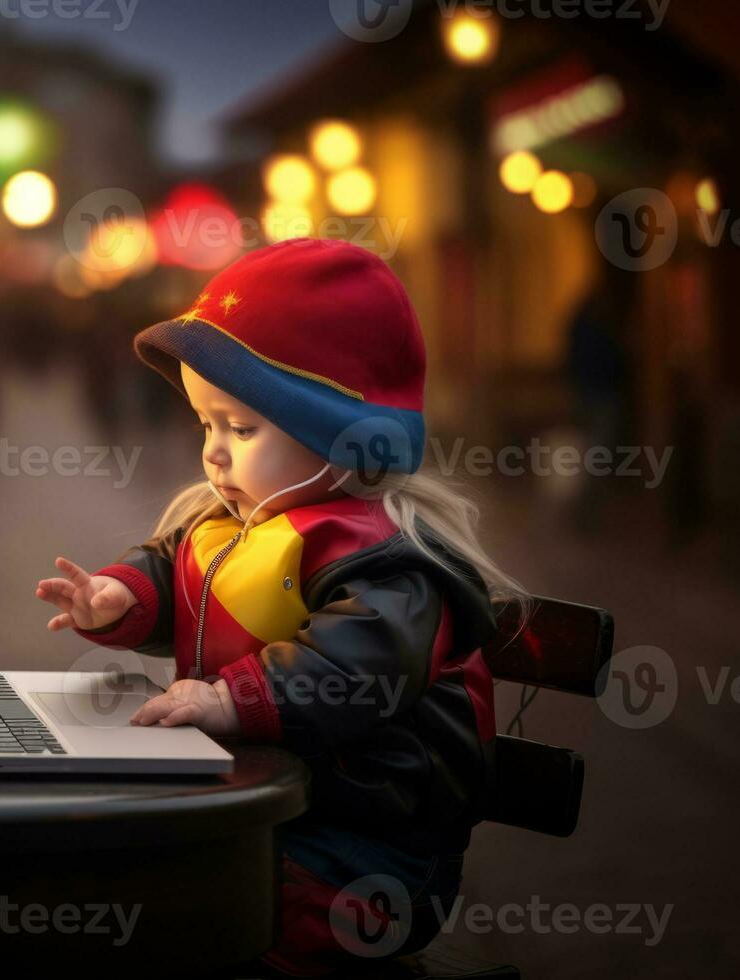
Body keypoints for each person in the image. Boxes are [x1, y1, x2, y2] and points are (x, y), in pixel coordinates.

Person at [34, 239, 529, 977]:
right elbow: (177, 576)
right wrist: (119, 597)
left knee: (208, 918)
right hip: (261, 809)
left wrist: (227, 701)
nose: (214, 453)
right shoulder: (235, 525)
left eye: (241, 427)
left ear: (344, 438)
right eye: (205, 424)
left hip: (365, 848)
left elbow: (354, 665)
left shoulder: (392, 566)